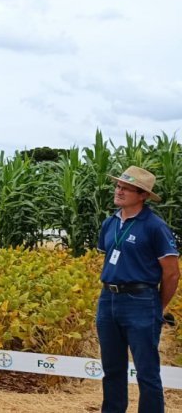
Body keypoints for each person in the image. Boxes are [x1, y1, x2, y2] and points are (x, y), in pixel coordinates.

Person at [96, 166, 179, 412]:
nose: (118, 191)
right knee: (112, 370)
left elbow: (172, 273)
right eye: (118, 186)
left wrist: (156, 306)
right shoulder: (109, 223)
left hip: (141, 300)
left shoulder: (155, 227)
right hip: (108, 299)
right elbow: (109, 257)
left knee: (146, 372)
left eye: (126, 188)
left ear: (142, 194)